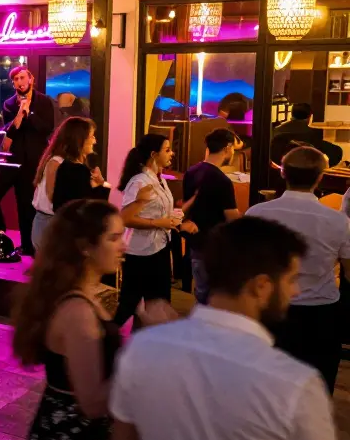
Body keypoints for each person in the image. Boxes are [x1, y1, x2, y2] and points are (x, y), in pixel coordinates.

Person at [111, 217, 350, 440]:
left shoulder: (144, 347)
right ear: (261, 285)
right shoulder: (293, 382)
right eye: (291, 279)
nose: (296, 290)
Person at [14, 200, 139, 440]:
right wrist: (143, 354)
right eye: (114, 238)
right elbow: (93, 402)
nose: (124, 244)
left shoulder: (80, 297)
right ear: (85, 246)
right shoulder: (77, 312)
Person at [246, 145, 350, 392]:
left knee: (267, 382)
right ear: (320, 177)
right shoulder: (338, 221)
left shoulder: (257, 214)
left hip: (269, 307)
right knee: (317, 384)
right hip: (320, 312)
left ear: (283, 174)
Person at [0, 66, 55, 256]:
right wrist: (20, 113)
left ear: (31, 79)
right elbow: (10, 131)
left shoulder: (44, 101)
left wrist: (31, 114)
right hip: (13, 160)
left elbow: (47, 129)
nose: (19, 82)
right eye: (15, 80)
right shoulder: (9, 104)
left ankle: (28, 246)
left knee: (25, 204)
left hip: (35, 161)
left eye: (22, 78)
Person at [115, 133, 181, 328]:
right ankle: (105, 340)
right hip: (141, 251)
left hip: (158, 247)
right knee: (131, 302)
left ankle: (144, 344)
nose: (172, 153)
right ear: (154, 154)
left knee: (156, 303)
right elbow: (125, 218)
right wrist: (158, 222)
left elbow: (162, 210)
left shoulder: (160, 179)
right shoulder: (140, 181)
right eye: (167, 150)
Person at [181, 128, 242, 304]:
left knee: (201, 293)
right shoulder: (222, 180)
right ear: (227, 147)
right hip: (216, 245)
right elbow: (231, 218)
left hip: (196, 241)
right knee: (216, 296)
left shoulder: (192, 171)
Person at [29, 117, 108, 252]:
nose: (95, 140)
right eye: (91, 136)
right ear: (78, 139)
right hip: (50, 223)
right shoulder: (58, 163)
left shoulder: (71, 165)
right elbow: (54, 198)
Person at [272, 102, 344, 167]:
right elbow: (336, 153)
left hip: (279, 167)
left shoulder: (277, 130)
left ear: (292, 114)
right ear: (310, 117)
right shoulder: (311, 133)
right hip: (305, 169)